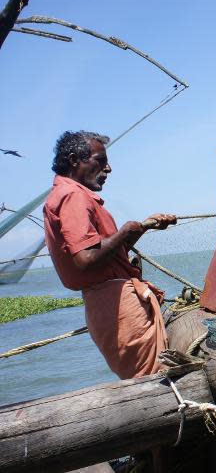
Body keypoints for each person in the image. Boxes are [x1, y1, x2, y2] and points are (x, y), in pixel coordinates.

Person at [43, 131, 177, 379]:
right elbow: (86, 259)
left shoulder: (66, 194)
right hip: (116, 306)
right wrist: (125, 230)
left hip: (106, 304)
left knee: (149, 376)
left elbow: (108, 256)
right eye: (100, 160)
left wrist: (142, 228)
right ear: (75, 160)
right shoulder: (73, 195)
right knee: (153, 379)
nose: (109, 168)